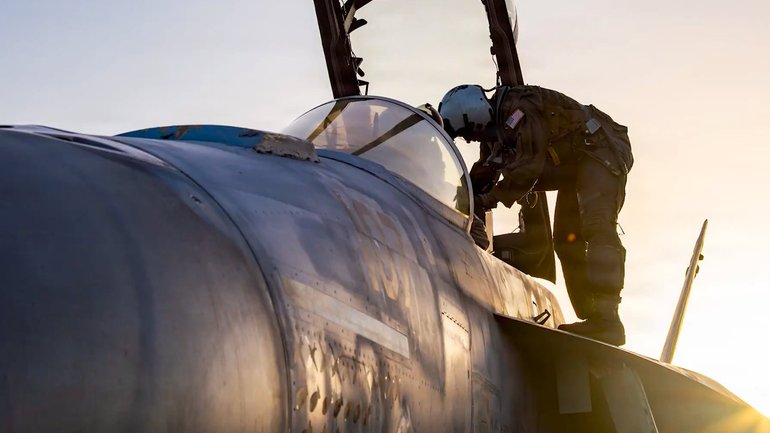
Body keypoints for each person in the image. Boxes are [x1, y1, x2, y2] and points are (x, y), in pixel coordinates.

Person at [438, 84, 633, 346]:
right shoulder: (496, 137)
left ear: (473, 116)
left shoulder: (519, 109)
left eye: (467, 132)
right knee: (566, 240)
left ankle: (608, 319)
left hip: (600, 151)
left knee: (597, 227)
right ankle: (593, 317)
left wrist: (487, 200)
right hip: (576, 167)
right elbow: (484, 171)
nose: (470, 139)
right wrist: (462, 197)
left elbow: (528, 168)